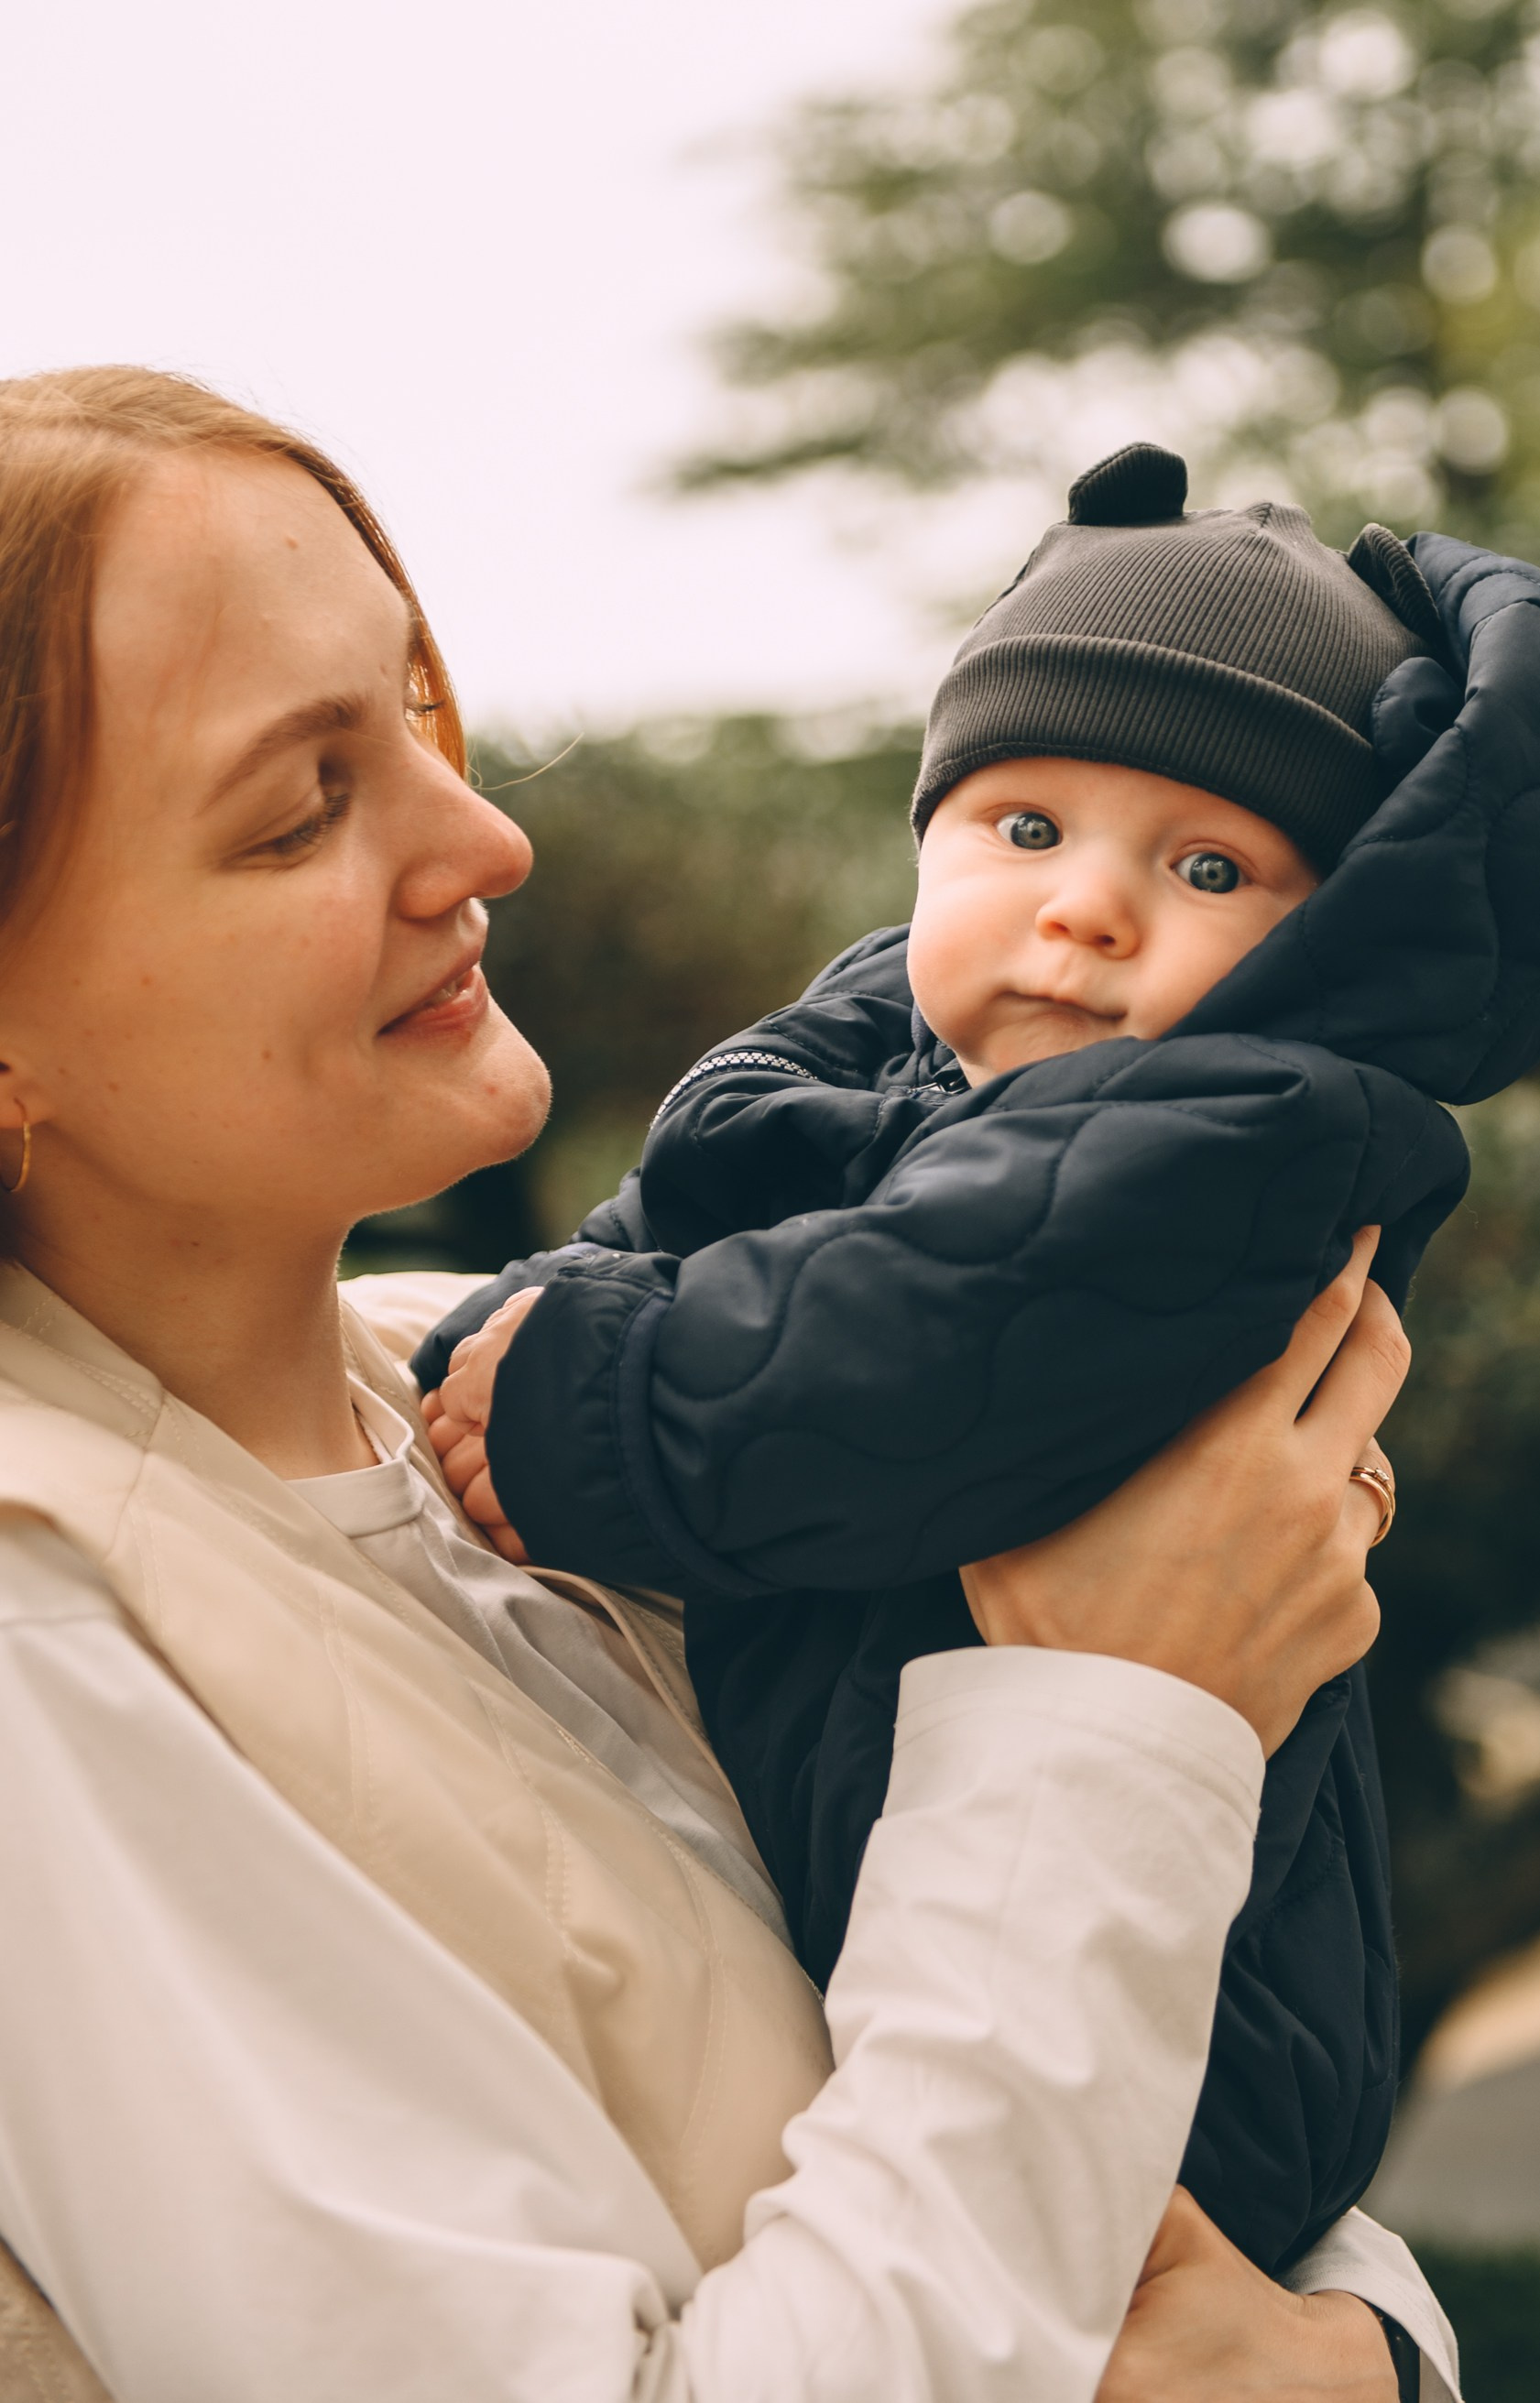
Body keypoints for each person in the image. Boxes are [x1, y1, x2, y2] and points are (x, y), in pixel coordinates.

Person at [0, 365, 1459, 2401]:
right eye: (298, 803)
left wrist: (1363, 2353)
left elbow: (1161, 2072)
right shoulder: (48, 1636)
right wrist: (1131, 1707)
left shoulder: (498, 1374)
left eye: (417, 713)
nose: (483, 833)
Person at [412, 443, 1540, 2272]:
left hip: (1179, 2043)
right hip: (968, 1957)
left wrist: (559, 1396)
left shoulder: (1241, 1132)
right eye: (1024, 829)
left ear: (1318, 932)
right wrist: (512, 1325)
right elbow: (682, 1233)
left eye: (1206, 862)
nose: (1087, 906)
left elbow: (883, 1367)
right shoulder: (928, 1088)